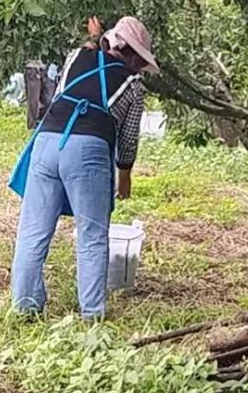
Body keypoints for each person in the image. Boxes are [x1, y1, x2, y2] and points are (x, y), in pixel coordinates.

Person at [10, 16, 157, 320]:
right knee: (92, 235)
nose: (141, 67)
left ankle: (25, 307)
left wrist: (96, 37)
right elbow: (128, 138)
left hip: (47, 142)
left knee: (32, 233)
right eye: (140, 60)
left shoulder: (76, 57)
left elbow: (90, 54)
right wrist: (124, 175)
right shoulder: (133, 84)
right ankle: (91, 314)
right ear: (131, 55)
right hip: (88, 149)